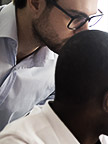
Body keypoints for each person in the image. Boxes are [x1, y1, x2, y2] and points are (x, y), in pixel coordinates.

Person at [0, 0, 102, 131]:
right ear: (36, 3)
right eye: (75, 18)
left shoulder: (62, 69)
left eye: (89, 19)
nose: (84, 32)